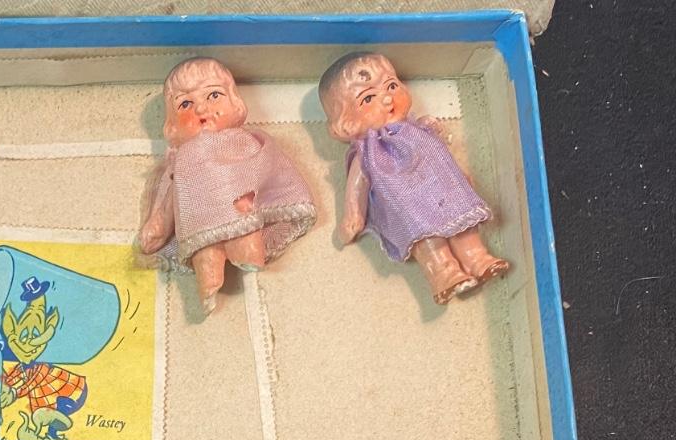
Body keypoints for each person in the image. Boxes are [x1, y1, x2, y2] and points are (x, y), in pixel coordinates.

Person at [319, 52, 510, 304]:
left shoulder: (418, 129)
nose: (387, 98)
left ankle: (476, 257)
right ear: (347, 123)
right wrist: (353, 214)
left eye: (391, 85)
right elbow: (357, 184)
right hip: (408, 205)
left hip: (445, 192)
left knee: (462, 223)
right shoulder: (368, 153)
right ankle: (442, 272)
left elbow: (441, 158)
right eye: (368, 98)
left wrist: (459, 177)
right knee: (426, 237)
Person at [138, 57, 315, 314]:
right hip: (200, 225)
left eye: (214, 96)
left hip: (241, 211)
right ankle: (209, 283)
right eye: (186, 104)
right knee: (205, 253)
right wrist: (159, 224)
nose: (201, 109)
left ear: (235, 103)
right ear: (172, 124)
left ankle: (248, 252)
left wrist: (259, 201)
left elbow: (263, 167)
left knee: (245, 233)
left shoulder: (241, 140)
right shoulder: (182, 159)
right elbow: (172, 194)